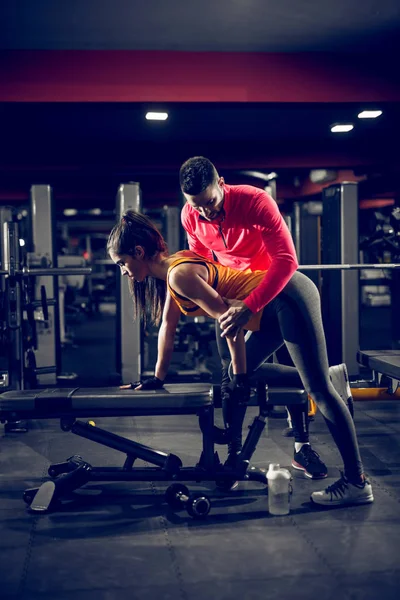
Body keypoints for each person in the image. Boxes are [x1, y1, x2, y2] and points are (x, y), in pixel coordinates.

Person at [108, 210, 373, 507]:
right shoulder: (174, 270)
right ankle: (323, 378)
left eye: (122, 263)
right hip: (269, 312)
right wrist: (157, 378)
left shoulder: (178, 274)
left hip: (287, 296)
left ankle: (356, 481)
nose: (123, 271)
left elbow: (229, 324)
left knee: (310, 390)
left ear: (139, 252)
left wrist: (241, 376)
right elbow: (167, 328)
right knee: (241, 376)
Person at [179, 156, 354, 481]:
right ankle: (235, 454)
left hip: (274, 292)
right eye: (197, 206)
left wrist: (249, 306)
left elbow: (287, 261)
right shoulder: (191, 215)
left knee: (305, 374)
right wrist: (216, 299)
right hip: (234, 296)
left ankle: (302, 445)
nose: (205, 212)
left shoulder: (255, 201)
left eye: (210, 203)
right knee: (235, 376)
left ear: (222, 183)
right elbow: (204, 263)